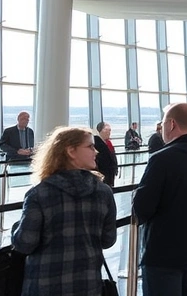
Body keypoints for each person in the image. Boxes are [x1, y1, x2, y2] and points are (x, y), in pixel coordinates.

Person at [11, 126, 117, 296]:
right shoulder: (103, 192)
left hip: (44, 286)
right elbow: (108, 240)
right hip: (89, 286)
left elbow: (25, 243)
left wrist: (16, 227)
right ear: (71, 151)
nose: (96, 151)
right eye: (90, 146)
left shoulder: (40, 193)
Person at [133, 103, 187, 296]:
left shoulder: (162, 159)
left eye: (163, 122)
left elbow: (142, 208)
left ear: (172, 124)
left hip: (163, 255)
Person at [93, 122, 118, 187]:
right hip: (103, 174)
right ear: (100, 130)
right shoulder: (96, 143)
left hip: (110, 173)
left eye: (110, 130)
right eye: (107, 130)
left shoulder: (108, 143)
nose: (109, 132)